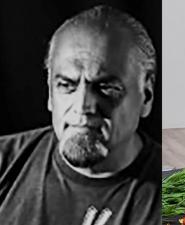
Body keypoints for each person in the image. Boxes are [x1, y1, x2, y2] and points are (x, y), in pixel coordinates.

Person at [0, 5, 160, 225]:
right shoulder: (5, 163)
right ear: (50, 93)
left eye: (106, 88)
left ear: (147, 95)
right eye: (66, 85)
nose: (83, 105)